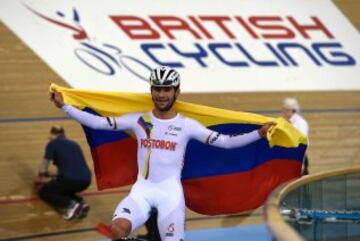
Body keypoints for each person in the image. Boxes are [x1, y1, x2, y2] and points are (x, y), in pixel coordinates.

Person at [51, 66, 274, 240]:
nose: (161, 94)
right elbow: (99, 123)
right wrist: (66, 107)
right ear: (151, 91)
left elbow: (225, 142)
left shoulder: (188, 125)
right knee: (118, 231)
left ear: (176, 92)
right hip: (142, 191)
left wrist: (259, 134)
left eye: (166, 89)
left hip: (171, 196)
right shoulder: (138, 119)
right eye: (157, 89)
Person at [37, 126, 92, 220]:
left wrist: (41, 174)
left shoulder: (52, 143)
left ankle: (71, 205)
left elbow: (46, 162)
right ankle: (80, 203)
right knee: (63, 190)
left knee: (45, 191)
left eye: (50, 135)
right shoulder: (75, 144)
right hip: (86, 179)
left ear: (53, 134)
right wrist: (55, 175)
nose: (49, 137)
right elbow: (72, 165)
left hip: (70, 180)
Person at [281, 97, 310, 175]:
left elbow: (303, 143)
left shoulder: (300, 123)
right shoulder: (290, 123)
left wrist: (301, 162)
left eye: (284, 110)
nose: (283, 112)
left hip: (298, 157)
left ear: (290, 110)